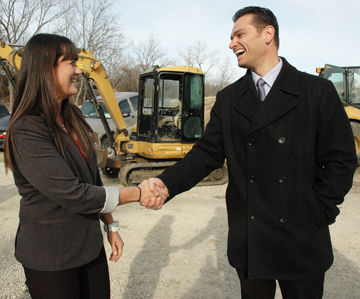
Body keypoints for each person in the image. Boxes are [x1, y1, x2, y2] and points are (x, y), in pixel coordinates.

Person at [144, 6, 358, 299]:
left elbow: (342, 160)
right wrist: (166, 183)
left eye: (239, 34)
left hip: (301, 238)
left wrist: (319, 211)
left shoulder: (315, 91)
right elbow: (206, 154)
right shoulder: (230, 98)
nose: (231, 43)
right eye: (231, 37)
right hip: (252, 238)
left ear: (268, 33)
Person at [3, 33, 166, 299]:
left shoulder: (73, 115)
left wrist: (111, 225)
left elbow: (91, 177)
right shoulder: (26, 129)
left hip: (88, 248)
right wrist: (138, 192)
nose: (79, 70)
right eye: (71, 63)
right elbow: (75, 193)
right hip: (51, 258)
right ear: (46, 68)